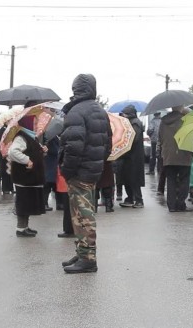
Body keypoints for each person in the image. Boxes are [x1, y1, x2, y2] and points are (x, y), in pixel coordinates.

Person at [59, 73, 111, 274]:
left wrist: (66, 171)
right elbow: (108, 143)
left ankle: (88, 258)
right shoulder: (100, 110)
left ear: (75, 89)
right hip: (93, 170)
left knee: (83, 216)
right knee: (82, 214)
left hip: (79, 172)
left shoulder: (76, 111)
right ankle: (82, 252)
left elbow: (73, 147)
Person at [7, 115, 47, 237]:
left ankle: (25, 227)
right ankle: (20, 228)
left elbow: (33, 152)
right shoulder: (21, 137)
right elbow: (13, 151)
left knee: (27, 203)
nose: (36, 126)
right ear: (27, 124)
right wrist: (27, 160)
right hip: (24, 177)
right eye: (34, 123)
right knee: (23, 204)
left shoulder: (30, 136)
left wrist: (42, 151)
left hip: (29, 178)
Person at [158, 105, 193, 212]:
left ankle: (171, 206)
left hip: (168, 155)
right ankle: (181, 204)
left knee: (171, 180)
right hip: (184, 153)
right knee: (184, 180)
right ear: (181, 108)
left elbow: (160, 137)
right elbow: (191, 136)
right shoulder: (186, 120)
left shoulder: (163, 121)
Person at [118, 104, 145, 208]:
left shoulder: (135, 123)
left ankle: (139, 200)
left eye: (124, 113)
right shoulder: (131, 122)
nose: (123, 115)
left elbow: (134, 138)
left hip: (134, 156)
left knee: (134, 178)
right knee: (127, 178)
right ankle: (130, 198)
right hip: (128, 156)